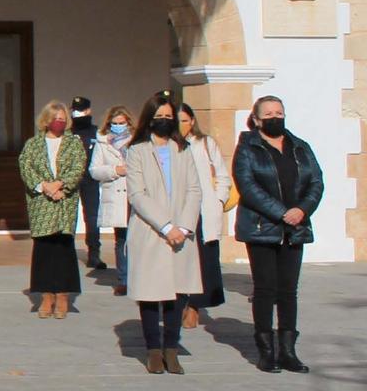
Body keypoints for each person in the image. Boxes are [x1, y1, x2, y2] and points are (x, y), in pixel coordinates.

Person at [233, 95, 322, 374]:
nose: (275, 117)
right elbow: (247, 186)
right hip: (262, 228)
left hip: (295, 228)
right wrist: (281, 212)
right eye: (269, 113)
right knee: (265, 289)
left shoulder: (300, 147)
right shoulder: (248, 149)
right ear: (257, 119)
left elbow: (316, 182)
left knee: (288, 291)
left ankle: (288, 351)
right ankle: (266, 351)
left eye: (279, 112)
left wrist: (301, 211)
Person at [125, 91, 202, 374]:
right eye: (160, 117)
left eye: (169, 117)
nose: (165, 121)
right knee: (150, 293)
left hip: (181, 233)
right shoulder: (137, 151)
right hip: (151, 231)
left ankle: (172, 347)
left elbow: (194, 190)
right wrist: (166, 226)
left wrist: (182, 226)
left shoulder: (183, 150)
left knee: (177, 293)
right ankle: (153, 350)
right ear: (149, 119)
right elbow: (138, 194)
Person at [19, 99, 84, 319]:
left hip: (64, 199)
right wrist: (44, 186)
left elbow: (78, 166)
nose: (59, 122)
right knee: (44, 249)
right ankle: (46, 296)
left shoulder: (74, 143)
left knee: (64, 248)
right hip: (41, 201)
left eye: (62, 119)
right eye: (55, 119)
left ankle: (63, 296)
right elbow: (25, 167)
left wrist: (60, 184)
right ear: (46, 120)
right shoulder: (32, 144)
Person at [179, 102, 231, 329]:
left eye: (184, 120)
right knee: (180, 259)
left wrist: (219, 199)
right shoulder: (167, 145)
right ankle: (179, 302)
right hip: (180, 211)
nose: (181, 125)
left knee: (204, 261)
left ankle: (195, 306)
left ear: (192, 121)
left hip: (205, 210)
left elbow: (222, 175)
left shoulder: (205, 143)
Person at [90, 106, 135, 296]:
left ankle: (140, 277)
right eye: (114, 124)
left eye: (121, 123)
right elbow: (94, 170)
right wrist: (115, 170)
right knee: (121, 239)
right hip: (116, 194)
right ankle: (124, 279)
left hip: (136, 194)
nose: (118, 127)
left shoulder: (139, 139)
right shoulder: (102, 142)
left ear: (129, 123)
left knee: (138, 239)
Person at [72, 96, 105, 269]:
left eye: (81, 110)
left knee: (92, 216)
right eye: (75, 110)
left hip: (90, 179)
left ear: (89, 111)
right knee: (69, 216)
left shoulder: (96, 132)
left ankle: (94, 253)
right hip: (71, 179)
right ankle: (67, 252)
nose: (77, 113)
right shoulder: (68, 132)